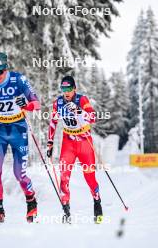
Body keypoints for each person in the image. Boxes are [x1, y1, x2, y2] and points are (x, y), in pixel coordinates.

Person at [0, 51, 40, 223]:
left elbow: (36, 104)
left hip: (18, 129)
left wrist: (27, 105)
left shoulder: (18, 80)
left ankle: (31, 201)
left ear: (6, 68)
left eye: (0, 71)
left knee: (19, 173)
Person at [47, 75, 103, 224]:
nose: (66, 92)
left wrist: (78, 111)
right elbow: (53, 122)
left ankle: (97, 203)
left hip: (84, 141)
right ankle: (66, 210)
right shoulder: (58, 103)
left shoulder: (81, 100)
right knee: (64, 176)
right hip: (68, 142)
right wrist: (50, 143)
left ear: (74, 89)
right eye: (63, 89)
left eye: (69, 89)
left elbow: (92, 118)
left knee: (89, 177)